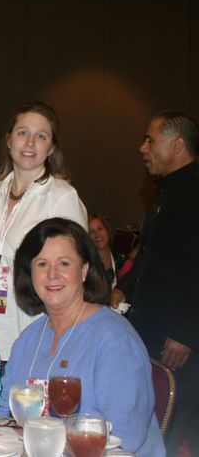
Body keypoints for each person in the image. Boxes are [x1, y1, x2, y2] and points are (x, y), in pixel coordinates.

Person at [0, 218, 164, 457]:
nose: (52, 274)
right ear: (30, 273)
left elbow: (125, 436)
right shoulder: (28, 340)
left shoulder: (114, 338)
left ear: (84, 270)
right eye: (42, 264)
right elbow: (7, 414)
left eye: (64, 263)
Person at [0, 101, 87, 365]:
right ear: (9, 141)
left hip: (38, 337)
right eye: (23, 133)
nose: (30, 142)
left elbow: (77, 274)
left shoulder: (61, 197)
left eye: (41, 136)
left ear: (52, 148)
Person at [112, 110, 199, 454]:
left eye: (151, 140)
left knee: (170, 434)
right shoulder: (166, 193)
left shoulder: (194, 194)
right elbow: (153, 258)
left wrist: (187, 332)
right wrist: (125, 287)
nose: (142, 148)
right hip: (152, 336)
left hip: (178, 345)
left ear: (177, 145)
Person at [87, 214, 125, 288]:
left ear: (107, 230)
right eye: (91, 232)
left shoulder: (121, 259)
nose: (97, 234)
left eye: (100, 228)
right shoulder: (88, 266)